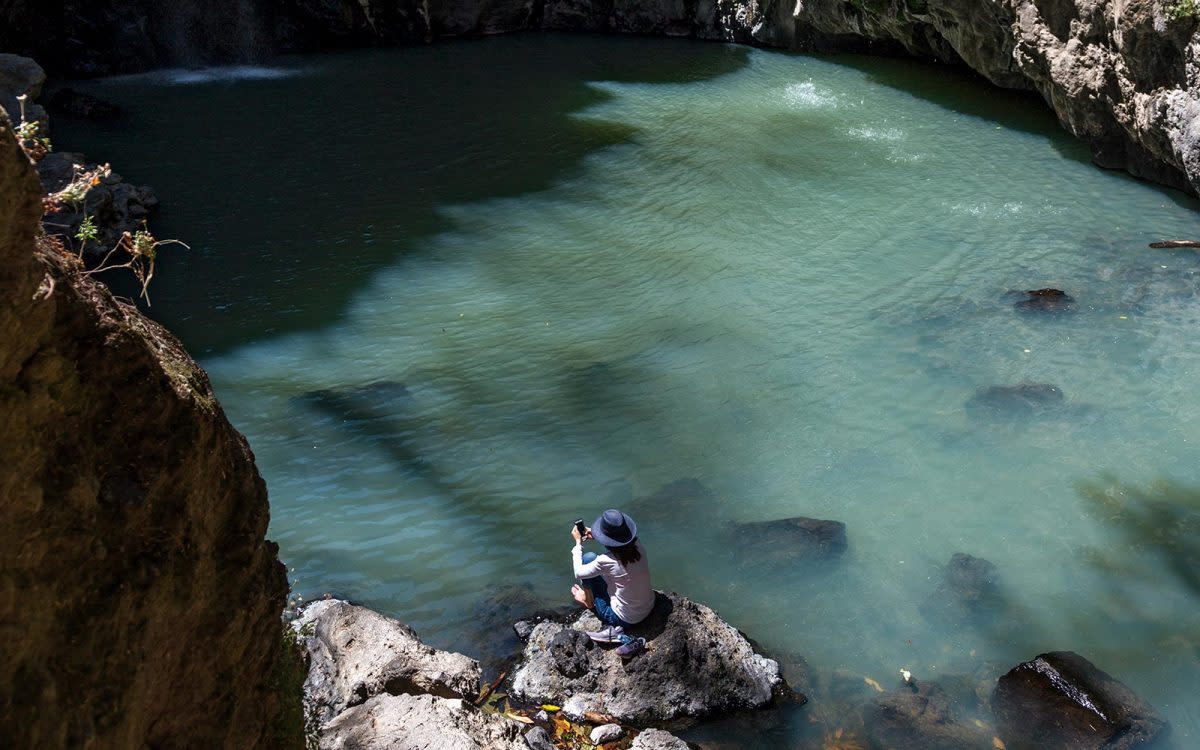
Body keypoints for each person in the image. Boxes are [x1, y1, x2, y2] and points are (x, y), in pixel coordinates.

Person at [571, 508, 654, 655]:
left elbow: (578, 572)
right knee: (597, 564)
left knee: (588, 558)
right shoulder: (638, 546)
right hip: (648, 608)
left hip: (623, 618)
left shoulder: (606, 561)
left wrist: (578, 543)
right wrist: (596, 536)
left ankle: (587, 600)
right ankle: (589, 598)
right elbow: (621, 545)